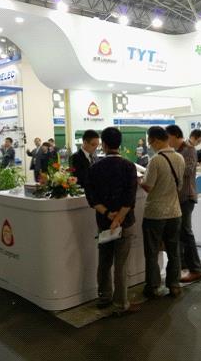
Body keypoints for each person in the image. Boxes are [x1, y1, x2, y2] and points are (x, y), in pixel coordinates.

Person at [86, 127, 140, 315]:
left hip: (104, 223)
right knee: (121, 264)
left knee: (104, 261)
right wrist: (118, 218)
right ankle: (121, 303)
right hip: (125, 223)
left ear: (104, 144)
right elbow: (130, 199)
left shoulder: (94, 168)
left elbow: (92, 199)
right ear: (120, 144)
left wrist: (108, 214)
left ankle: (104, 297)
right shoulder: (129, 166)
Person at [141, 126, 185, 298]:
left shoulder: (156, 160)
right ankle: (174, 285)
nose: (150, 145)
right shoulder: (179, 158)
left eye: (150, 142)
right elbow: (179, 185)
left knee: (152, 252)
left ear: (156, 140)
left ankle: (153, 286)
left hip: (155, 213)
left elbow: (148, 186)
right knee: (173, 250)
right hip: (175, 212)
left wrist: (139, 182)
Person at [166, 125, 201, 283]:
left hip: (186, 197)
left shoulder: (188, 149)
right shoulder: (176, 150)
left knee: (186, 233)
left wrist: (167, 168)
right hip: (178, 197)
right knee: (180, 232)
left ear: (175, 135)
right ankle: (184, 265)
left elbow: (187, 171)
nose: (167, 141)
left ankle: (195, 269)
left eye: (167, 137)